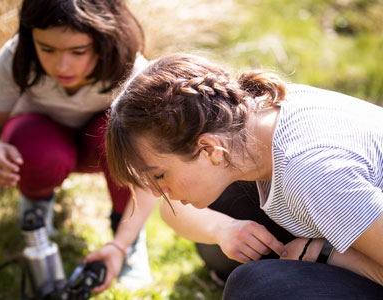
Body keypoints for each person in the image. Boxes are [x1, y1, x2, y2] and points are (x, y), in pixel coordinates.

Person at [105, 53, 383, 299]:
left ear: (209, 149)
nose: (157, 191)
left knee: (255, 288)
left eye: (160, 175)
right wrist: (222, 229)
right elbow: (171, 210)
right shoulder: (251, 120)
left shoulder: (312, 172)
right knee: (223, 215)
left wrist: (325, 255)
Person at [0, 0, 157, 293]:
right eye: (47, 49)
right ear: (30, 38)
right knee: (36, 147)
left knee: (125, 135)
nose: (61, 66)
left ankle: (129, 239)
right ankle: (36, 207)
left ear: (105, 40)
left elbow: (151, 166)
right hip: (41, 146)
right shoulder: (16, 57)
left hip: (100, 147)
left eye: (78, 51)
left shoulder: (131, 70)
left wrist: (120, 243)